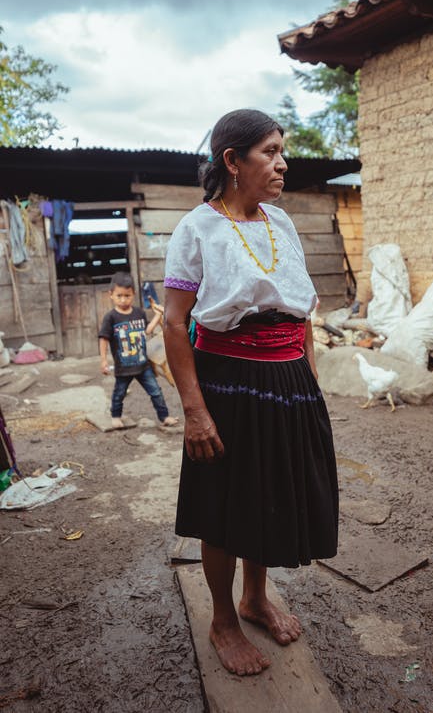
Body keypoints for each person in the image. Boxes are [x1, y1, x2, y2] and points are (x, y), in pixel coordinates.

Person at [163, 109, 338, 677]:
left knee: (271, 496)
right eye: (269, 151)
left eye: (282, 150)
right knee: (224, 506)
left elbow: (301, 307)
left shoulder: (281, 224)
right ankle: (222, 619)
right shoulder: (198, 229)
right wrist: (194, 409)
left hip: (287, 381)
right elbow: (174, 322)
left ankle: (255, 598)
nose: (282, 162)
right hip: (228, 382)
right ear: (232, 162)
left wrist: (308, 377)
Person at [99, 272, 178, 429]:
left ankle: (164, 417)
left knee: (156, 391)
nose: (123, 300)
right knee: (119, 394)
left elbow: (147, 330)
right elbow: (104, 339)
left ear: (133, 294)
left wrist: (157, 316)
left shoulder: (139, 313)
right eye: (119, 296)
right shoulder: (111, 317)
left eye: (127, 296)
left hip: (143, 365)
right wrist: (103, 360)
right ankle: (115, 416)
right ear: (111, 295)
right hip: (123, 367)